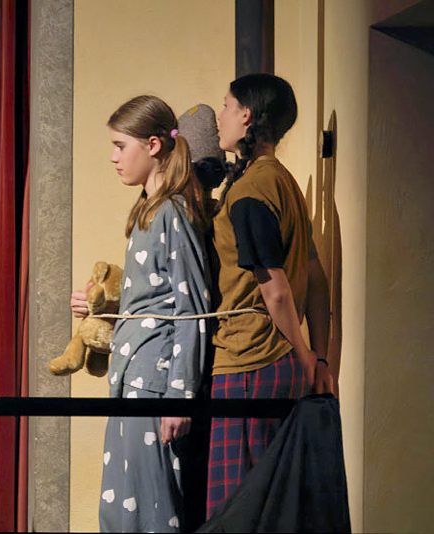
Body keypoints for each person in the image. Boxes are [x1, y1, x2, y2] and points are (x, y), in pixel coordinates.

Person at [71, 95, 212, 533]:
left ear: (153, 145)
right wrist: (107, 313)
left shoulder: (173, 211)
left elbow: (192, 310)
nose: (114, 158)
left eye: (121, 146)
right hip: (132, 378)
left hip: (154, 384)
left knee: (151, 508)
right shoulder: (149, 211)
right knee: (123, 506)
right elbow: (154, 302)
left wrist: (179, 398)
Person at [206, 73, 333, 519]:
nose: (219, 116)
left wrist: (306, 356)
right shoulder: (284, 182)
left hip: (249, 360)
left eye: (226, 105)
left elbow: (275, 289)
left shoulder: (251, 190)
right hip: (278, 364)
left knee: (239, 511)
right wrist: (317, 356)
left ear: (246, 114)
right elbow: (316, 278)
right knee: (273, 510)